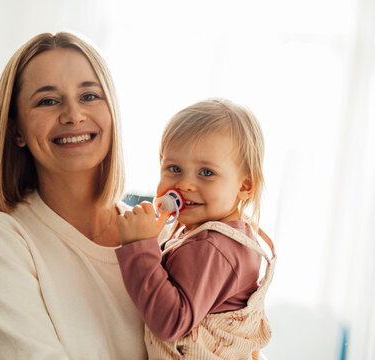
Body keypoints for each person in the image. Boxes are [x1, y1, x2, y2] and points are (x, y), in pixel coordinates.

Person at [0, 32, 147, 359]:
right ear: (16, 129)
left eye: (89, 96)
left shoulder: (163, 237)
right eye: (47, 100)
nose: (73, 115)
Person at [116, 98, 276, 360]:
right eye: (174, 168)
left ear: (245, 186)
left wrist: (138, 246)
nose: (185, 184)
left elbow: (170, 322)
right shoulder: (223, 233)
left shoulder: (211, 246)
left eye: (206, 173)